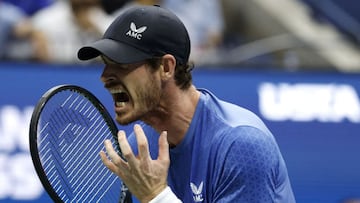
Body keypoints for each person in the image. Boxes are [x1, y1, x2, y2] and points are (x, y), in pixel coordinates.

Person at [77, 5, 296, 203]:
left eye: (122, 64)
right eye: (106, 64)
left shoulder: (242, 145)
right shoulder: (139, 149)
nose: (105, 77)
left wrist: (157, 196)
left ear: (165, 68)